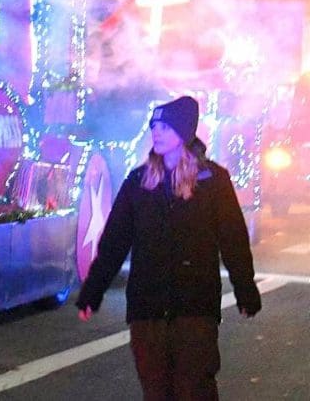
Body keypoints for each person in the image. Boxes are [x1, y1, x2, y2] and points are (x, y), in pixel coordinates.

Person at [75, 95, 261, 400]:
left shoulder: (213, 181)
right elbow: (114, 241)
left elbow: (233, 240)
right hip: (147, 308)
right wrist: (92, 291)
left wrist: (245, 289)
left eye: (164, 126)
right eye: (153, 126)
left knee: (195, 389)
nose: (156, 133)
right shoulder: (138, 182)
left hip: (195, 307)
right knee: (156, 390)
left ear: (184, 132)